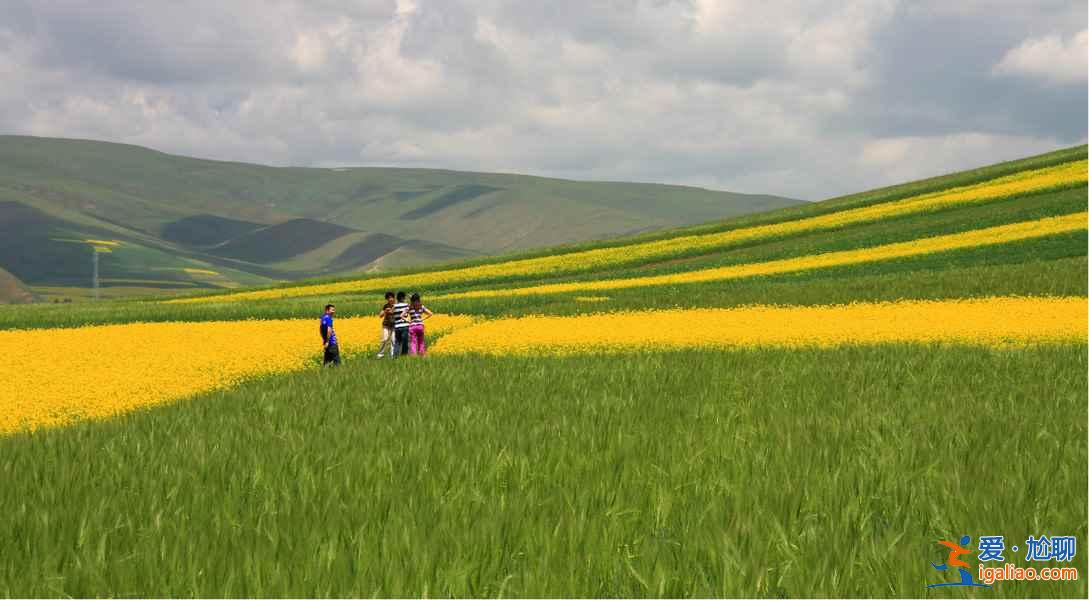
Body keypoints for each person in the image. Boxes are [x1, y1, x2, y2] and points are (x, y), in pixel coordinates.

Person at [376, 291, 396, 358]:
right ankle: (380, 354)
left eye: (391, 297)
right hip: (386, 325)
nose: (390, 299)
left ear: (394, 298)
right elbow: (380, 315)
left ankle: (392, 355)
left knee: (393, 340)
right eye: (388, 298)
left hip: (394, 325)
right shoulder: (385, 306)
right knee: (385, 338)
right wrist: (385, 311)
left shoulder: (396, 305)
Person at [392, 291, 411, 357]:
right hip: (405, 326)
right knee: (405, 342)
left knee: (397, 342)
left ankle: (395, 356)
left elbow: (392, 314)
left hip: (397, 327)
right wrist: (411, 298)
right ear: (403, 298)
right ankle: (404, 356)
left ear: (397, 298)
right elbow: (412, 306)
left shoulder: (394, 306)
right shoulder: (406, 305)